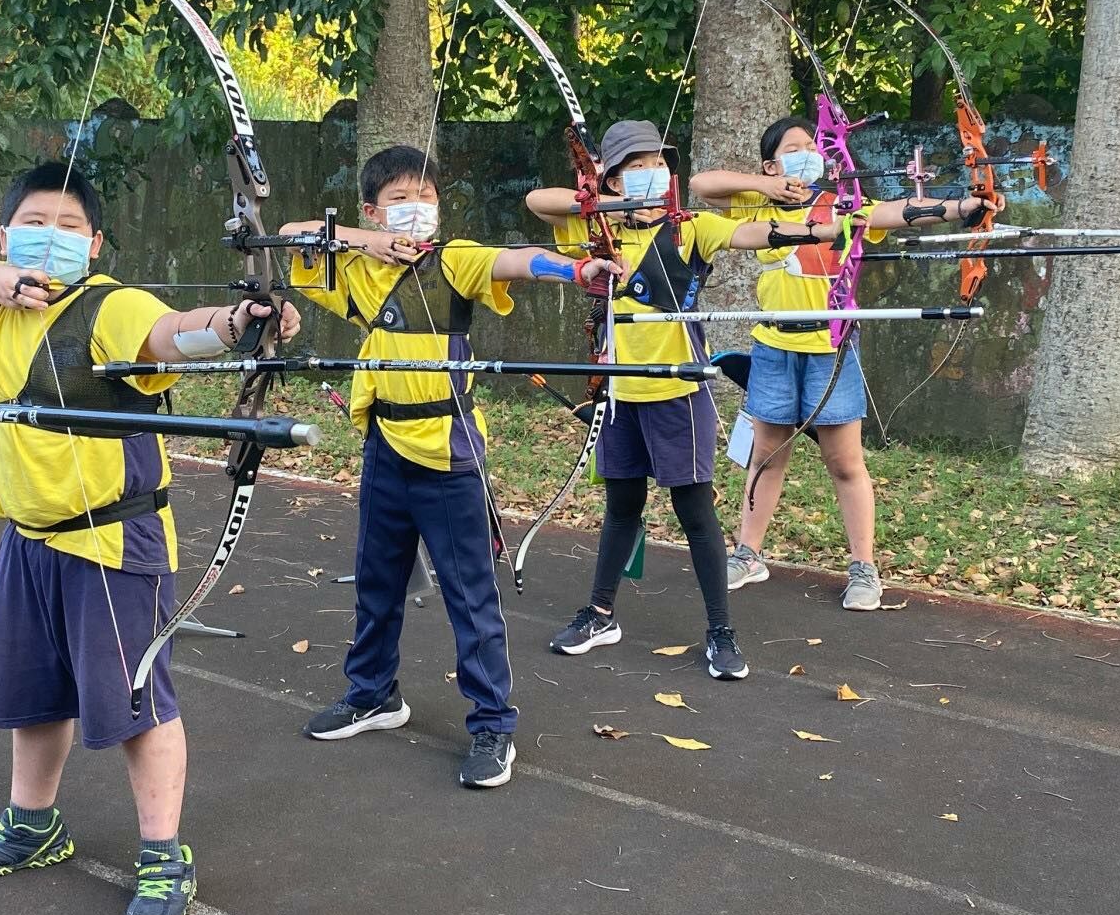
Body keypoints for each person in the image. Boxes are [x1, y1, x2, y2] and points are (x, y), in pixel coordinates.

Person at [0, 162, 301, 915]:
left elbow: (170, 334)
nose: (51, 238)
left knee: (137, 701)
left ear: (96, 243)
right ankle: (32, 824)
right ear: (6, 235)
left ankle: (163, 857)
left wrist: (235, 322)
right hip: (29, 535)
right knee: (34, 692)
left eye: (70, 227)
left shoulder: (112, 306)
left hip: (111, 539)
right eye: (35, 223)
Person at [282, 144, 623, 789]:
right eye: (400, 201)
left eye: (426, 198)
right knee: (376, 583)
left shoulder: (454, 261)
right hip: (384, 446)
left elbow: (517, 260)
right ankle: (373, 694)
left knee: (470, 596)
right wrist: (365, 242)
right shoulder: (357, 270)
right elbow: (294, 236)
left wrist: (578, 272)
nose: (418, 211)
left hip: (448, 450)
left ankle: (493, 723)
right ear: (371, 213)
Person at [525, 120, 824, 679]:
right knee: (621, 508)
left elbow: (751, 236)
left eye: (657, 164)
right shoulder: (595, 231)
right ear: (610, 177)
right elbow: (537, 200)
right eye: (635, 166)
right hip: (619, 393)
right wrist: (603, 202)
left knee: (695, 513)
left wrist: (803, 232)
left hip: (678, 392)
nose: (650, 174)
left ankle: (720, 630)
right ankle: (600, 612)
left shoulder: (690, 229)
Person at [690, 116, 993, 610]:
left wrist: (961, 206)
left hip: (830, 347)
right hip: (773, 344)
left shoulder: (844, 204)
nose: (810, 152)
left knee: (844, 461)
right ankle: (748, 553)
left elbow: (898, 211)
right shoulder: (757, 201)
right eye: (794, 148)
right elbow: (704, 184)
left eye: (814, 144)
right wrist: (766, 184)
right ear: (772, 163)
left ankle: (863, 568)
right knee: (766, 453)